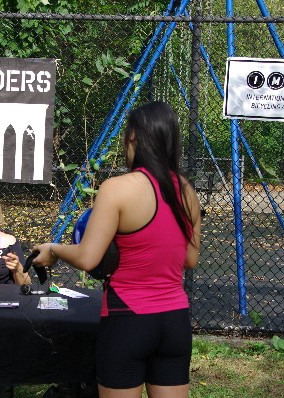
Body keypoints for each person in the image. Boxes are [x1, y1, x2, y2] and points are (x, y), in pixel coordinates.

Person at [32, 101, 201, 398]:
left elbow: (88, 257)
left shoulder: (117, 188)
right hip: (175, 320)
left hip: (128, 319)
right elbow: (190, 258)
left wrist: (54, 250)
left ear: (133, 136)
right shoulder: (187, 191)